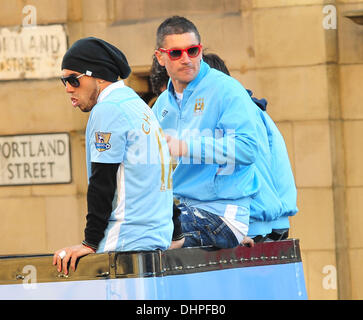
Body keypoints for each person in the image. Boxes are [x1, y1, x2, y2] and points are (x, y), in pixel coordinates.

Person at [152, 16, 298, 249]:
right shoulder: (162, 105)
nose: (186, 59)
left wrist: (241, 228)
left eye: (192, 51)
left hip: (255, 221)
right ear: (161, 57)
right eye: (176, 53)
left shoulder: (230, 94)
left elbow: (249, 155)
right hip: (200, 214)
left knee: (157, 241)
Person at [53, 37, 176, 275]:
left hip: (125, 242)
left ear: (97, 75)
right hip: (154, 239)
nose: (68, 88)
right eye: (64, 81)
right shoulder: (138, 106)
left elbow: (102, 181)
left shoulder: (108, 109)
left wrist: (89, 242)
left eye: (72, 80)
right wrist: (176, 231)